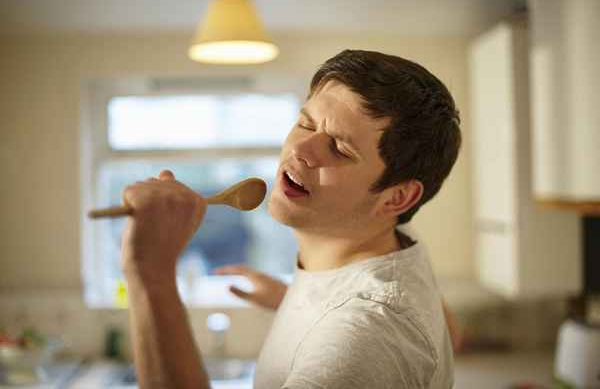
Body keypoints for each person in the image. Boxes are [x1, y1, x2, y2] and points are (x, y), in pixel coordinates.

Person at [121, 49, 462, 388]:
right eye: (305, 124)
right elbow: (450, 333)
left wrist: (150, 274)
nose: (301, 150)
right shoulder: (396, 236)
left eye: (340, 149)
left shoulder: (367, 335)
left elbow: (378, 332)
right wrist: (298, 300)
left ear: (397, 197)